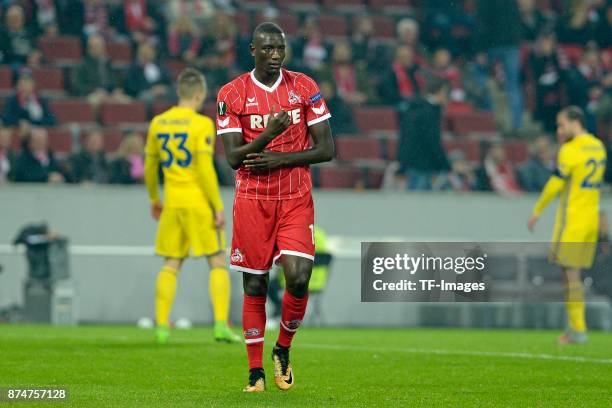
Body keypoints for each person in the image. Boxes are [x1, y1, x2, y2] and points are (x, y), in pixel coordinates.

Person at [216, 22, 334, 392]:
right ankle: (255, 373)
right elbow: (234, 157)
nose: (275, 55)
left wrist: (280, 160)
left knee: (299, 277)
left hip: (295, 197)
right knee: (255, 284)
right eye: (267, 49)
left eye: (280, 48)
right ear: (252, 49)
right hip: (252, 200)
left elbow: (327, 149)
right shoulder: (231, 93)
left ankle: (282, 349)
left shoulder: (305, 87)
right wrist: (268, 135)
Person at [144, 68, 240, 345]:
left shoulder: (158, 123)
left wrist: (154, 199)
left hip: (172, 201)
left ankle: (162, 327)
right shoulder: (201, 124)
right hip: (197, 201)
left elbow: (151, 168)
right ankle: (221, 325)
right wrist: (217, 206)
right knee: (216, 261)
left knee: (171, 263)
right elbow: (204, 169)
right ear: (198, 94)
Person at [528, 106, 607, 344]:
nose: (559, 130)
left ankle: (579, 330)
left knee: (570, 275)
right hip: (590, 220)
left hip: (572, 221)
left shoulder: (569, 150)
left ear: (576, 122)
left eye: (562, 125)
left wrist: (537, 210)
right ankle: (573, 326)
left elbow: (555, 184)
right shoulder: (598, 147)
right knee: (574, 276)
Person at [396, 77, 450, 190]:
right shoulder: (430, 112)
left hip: (412, 161)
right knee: (419, 200)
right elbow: (432, 140)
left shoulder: (415, 107)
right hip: (423, 164)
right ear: (440, 92)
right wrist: (444, 164)